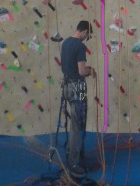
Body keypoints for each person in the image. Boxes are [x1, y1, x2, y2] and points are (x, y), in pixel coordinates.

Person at [60, 20, 96, 178]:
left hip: (67, 87)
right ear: (83, 31)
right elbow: (81, 71)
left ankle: (76, 155)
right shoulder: (80, 46)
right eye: (87, 35)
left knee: (76, 121)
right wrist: (91, 71)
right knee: (77, 123)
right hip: (78, 88)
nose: (86, 38)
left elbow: (69, 66)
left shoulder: (65, 43)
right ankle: (73, 162)